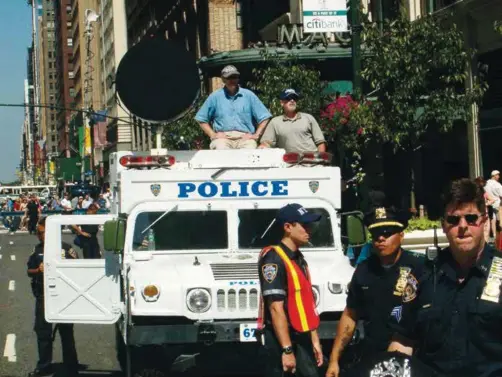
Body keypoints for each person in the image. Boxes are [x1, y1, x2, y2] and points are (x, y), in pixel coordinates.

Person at [388, 178, 502, 377]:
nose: (463, 226)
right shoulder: (422, 275)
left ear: (484, 221)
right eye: (454, 220)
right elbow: (403, 341)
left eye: (471, 218)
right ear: (443, 225)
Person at [325, 206, 422, 377]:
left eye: (387, 232)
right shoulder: (364, 270)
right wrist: (334, 360)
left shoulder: (419, 269)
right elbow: (350, 315)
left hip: (409, 360)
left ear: (401, 235)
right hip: (372, 359)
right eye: (376, 234)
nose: (381, 238)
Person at [257, 203, 324, 377]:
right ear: (288, 227)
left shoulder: (298, 257)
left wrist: (314, 339)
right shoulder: (273, 258)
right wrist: (287, 350)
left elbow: (306, 302)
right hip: (283, 339)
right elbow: (275, 308)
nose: (309, 230)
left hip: (301, 335)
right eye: (304, 225)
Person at [27, 217, 80, 377]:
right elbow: (29, 271)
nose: (40, 236)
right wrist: (38, 270)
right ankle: (44, 366)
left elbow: (78, 269)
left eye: (42, 232)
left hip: (63, 295)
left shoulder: (66, 249)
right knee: (43, 332)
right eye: (38, 233)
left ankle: (71, 366)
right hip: (43, 296)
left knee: (66, 332)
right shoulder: (37, 250)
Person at [195, 65, 271, 149]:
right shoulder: (215, 97)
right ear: (223, 79)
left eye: (234, 77)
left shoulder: (248, 95)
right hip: (223, 138)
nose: (232, 80)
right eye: (229, 78)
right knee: (221, 148)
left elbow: (265, 117)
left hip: (245, 137)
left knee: (250, 151)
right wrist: (212, 134)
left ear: (238, 78)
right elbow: (201, 118)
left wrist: (256, 134)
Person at [259, 89, 326, 153]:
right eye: (288, 98)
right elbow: (266, 143)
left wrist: (321, 161)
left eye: (295, 98)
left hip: (311, 161)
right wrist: (263, 146)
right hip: (288, 162)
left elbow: (320, 142)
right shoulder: (275, 122)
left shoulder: (308, 118)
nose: (292, 100)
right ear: (282, 103)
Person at [484, 170, 502, 241]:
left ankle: (493, 235)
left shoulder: (486, 183)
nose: (499, 177)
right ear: (494, 176)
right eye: (498, 175)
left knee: (492, 220)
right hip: (497, 205)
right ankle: (498, 236)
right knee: (498, 221)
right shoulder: (498, 185)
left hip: (489, 204)